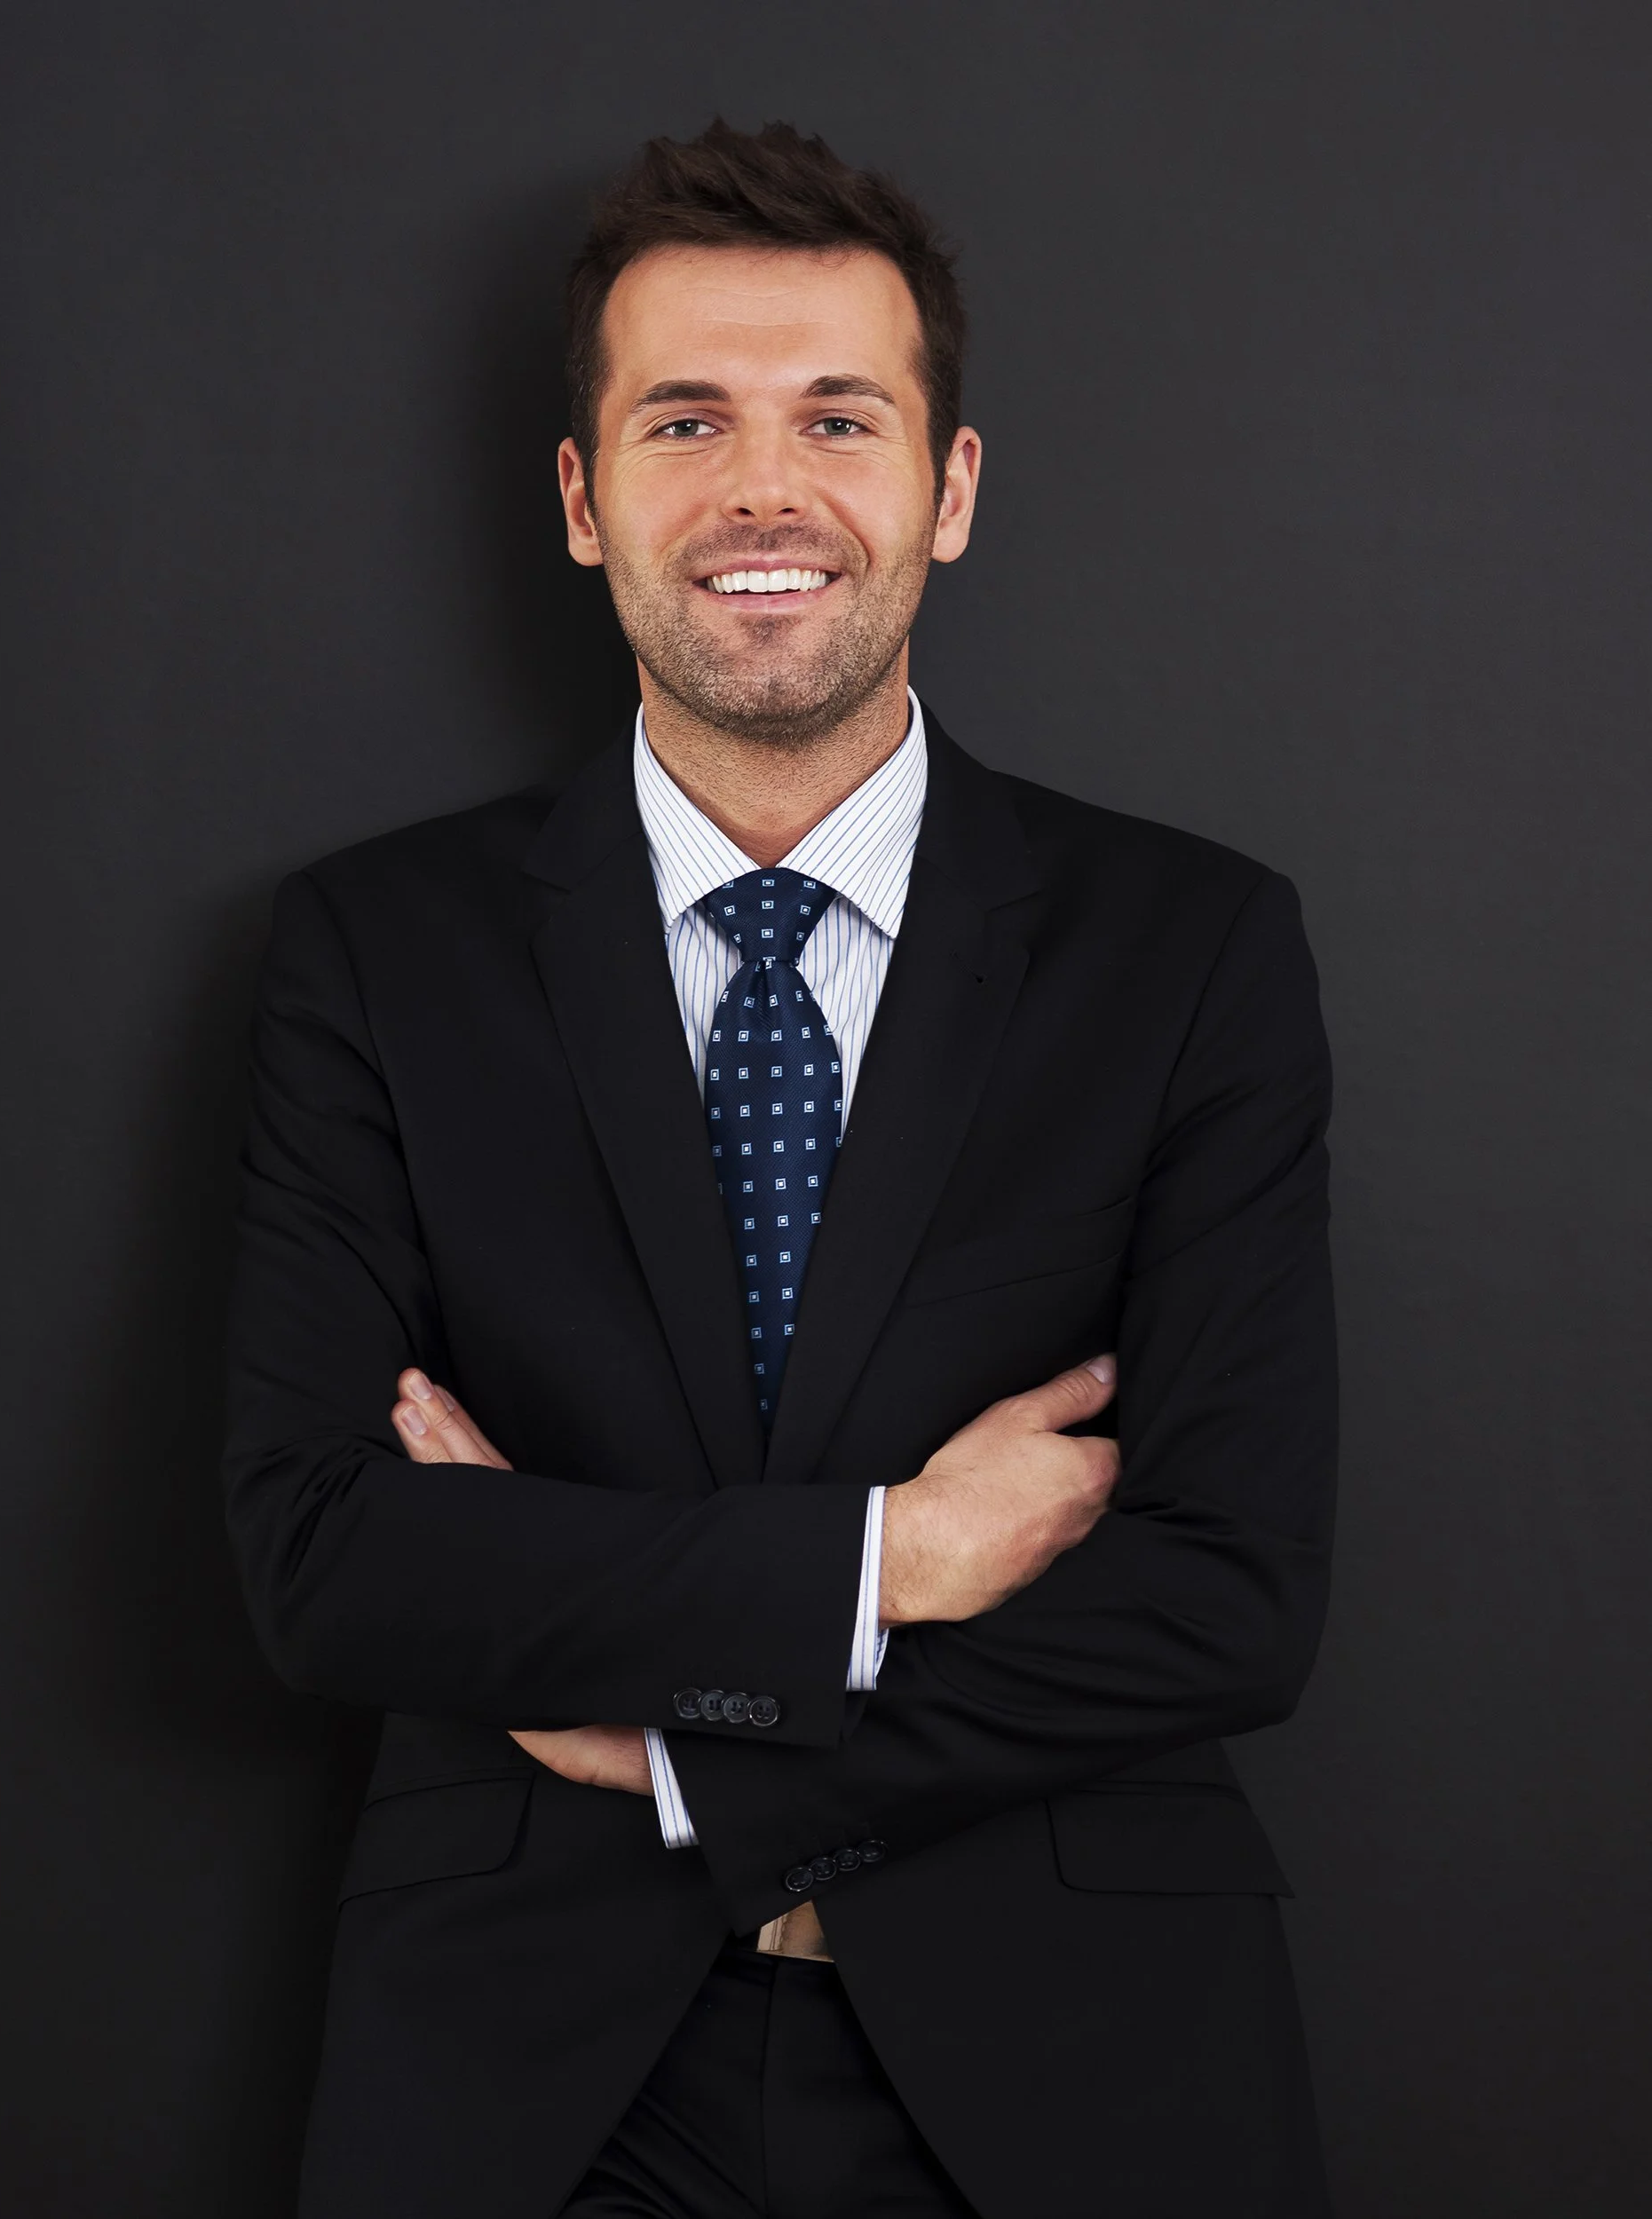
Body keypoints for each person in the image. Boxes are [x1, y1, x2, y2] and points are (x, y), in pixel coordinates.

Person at [223, 118, 1335, 2219]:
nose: (762, 490)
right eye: (681, 421)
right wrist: (882, 1563)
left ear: (950, 487)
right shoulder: (374, 952)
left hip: (1077, 2045)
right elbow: (326, 1555)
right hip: (526, 2067)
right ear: (579, 500)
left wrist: (670, 1745)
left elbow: (1228, 1592)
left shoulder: (1188, 946)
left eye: (837, 417)